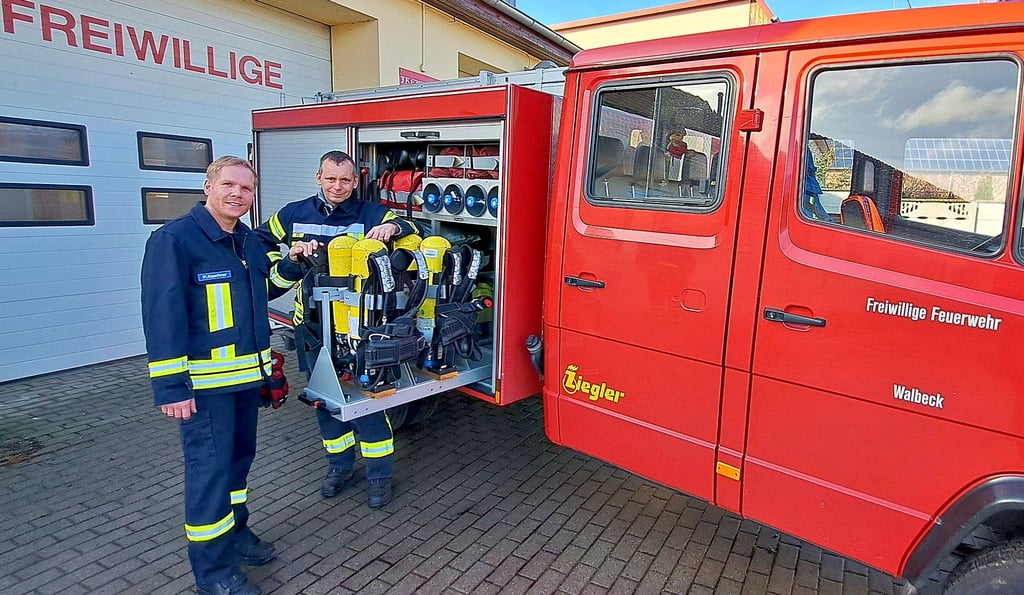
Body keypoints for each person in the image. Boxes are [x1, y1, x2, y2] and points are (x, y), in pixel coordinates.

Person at [141, 156, 318, 595]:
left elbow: (267, 285)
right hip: (204, 390)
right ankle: (213, 573)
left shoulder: (247, 241)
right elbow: (163, 318)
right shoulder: (175, 241)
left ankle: (235, 535)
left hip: (244, 382)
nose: (238, 194)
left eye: (247, 188)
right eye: (230, 185)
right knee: (209, 475)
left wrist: (293, 264)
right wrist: (170, 386)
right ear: (208, 187)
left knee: (238, 466)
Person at [257, 150, 417, 508]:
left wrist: (394, 227)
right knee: (326, 401)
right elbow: (259, 241)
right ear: (318, 178)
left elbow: (413, 233)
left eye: (345, 180)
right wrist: (289, 258)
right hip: (312, 326)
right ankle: (339, 466)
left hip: (360, 330)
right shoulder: (294, 214)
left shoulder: (370, 213)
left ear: (355, 181)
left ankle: (379, 475)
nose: (338, 186)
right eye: (331, 179)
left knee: (370, 401)